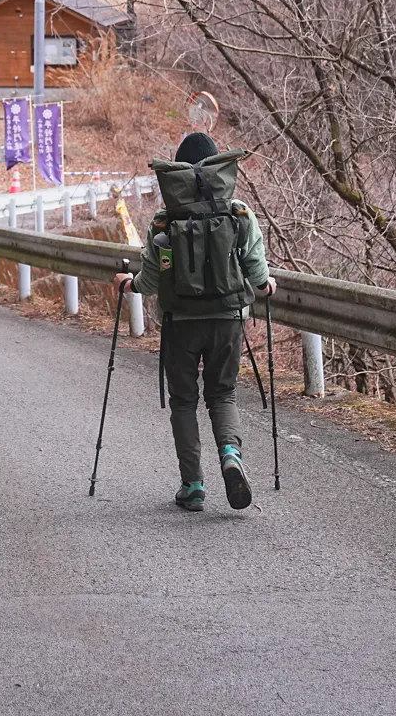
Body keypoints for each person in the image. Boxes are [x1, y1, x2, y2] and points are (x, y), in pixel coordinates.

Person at [115, 131, 273, 511]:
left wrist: (128, 284)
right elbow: (257, 275)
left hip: (180, 323)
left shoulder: (165, 221)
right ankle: (231, 455)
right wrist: (267, 285)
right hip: (228, 320)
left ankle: (193, 485)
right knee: (223, 394)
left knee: (184, 401)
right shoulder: (238, 213)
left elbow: (150, 282)